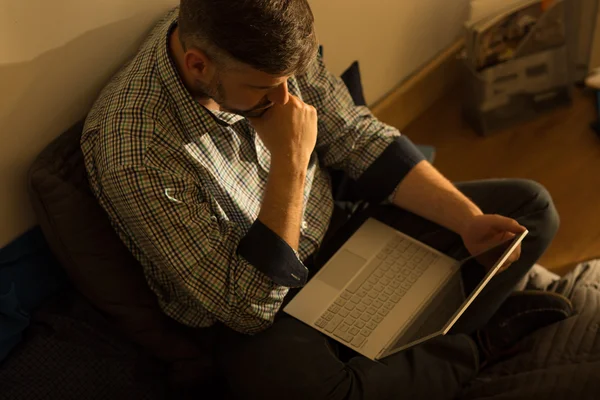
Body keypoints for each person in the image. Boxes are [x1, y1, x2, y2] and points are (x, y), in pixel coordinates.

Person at [81, 1, 573, 399]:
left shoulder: (263, 44)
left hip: (339, 231)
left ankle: (402, 354)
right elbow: (245, 307)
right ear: (198, 66)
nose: (286, 102)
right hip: (261, 310)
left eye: (289, 82)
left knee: (530, 210)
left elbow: (354, 136)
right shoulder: (135, 150)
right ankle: (477, 346)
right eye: (265, 90)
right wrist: (291, 164)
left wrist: (466, 220)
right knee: (308, 389)